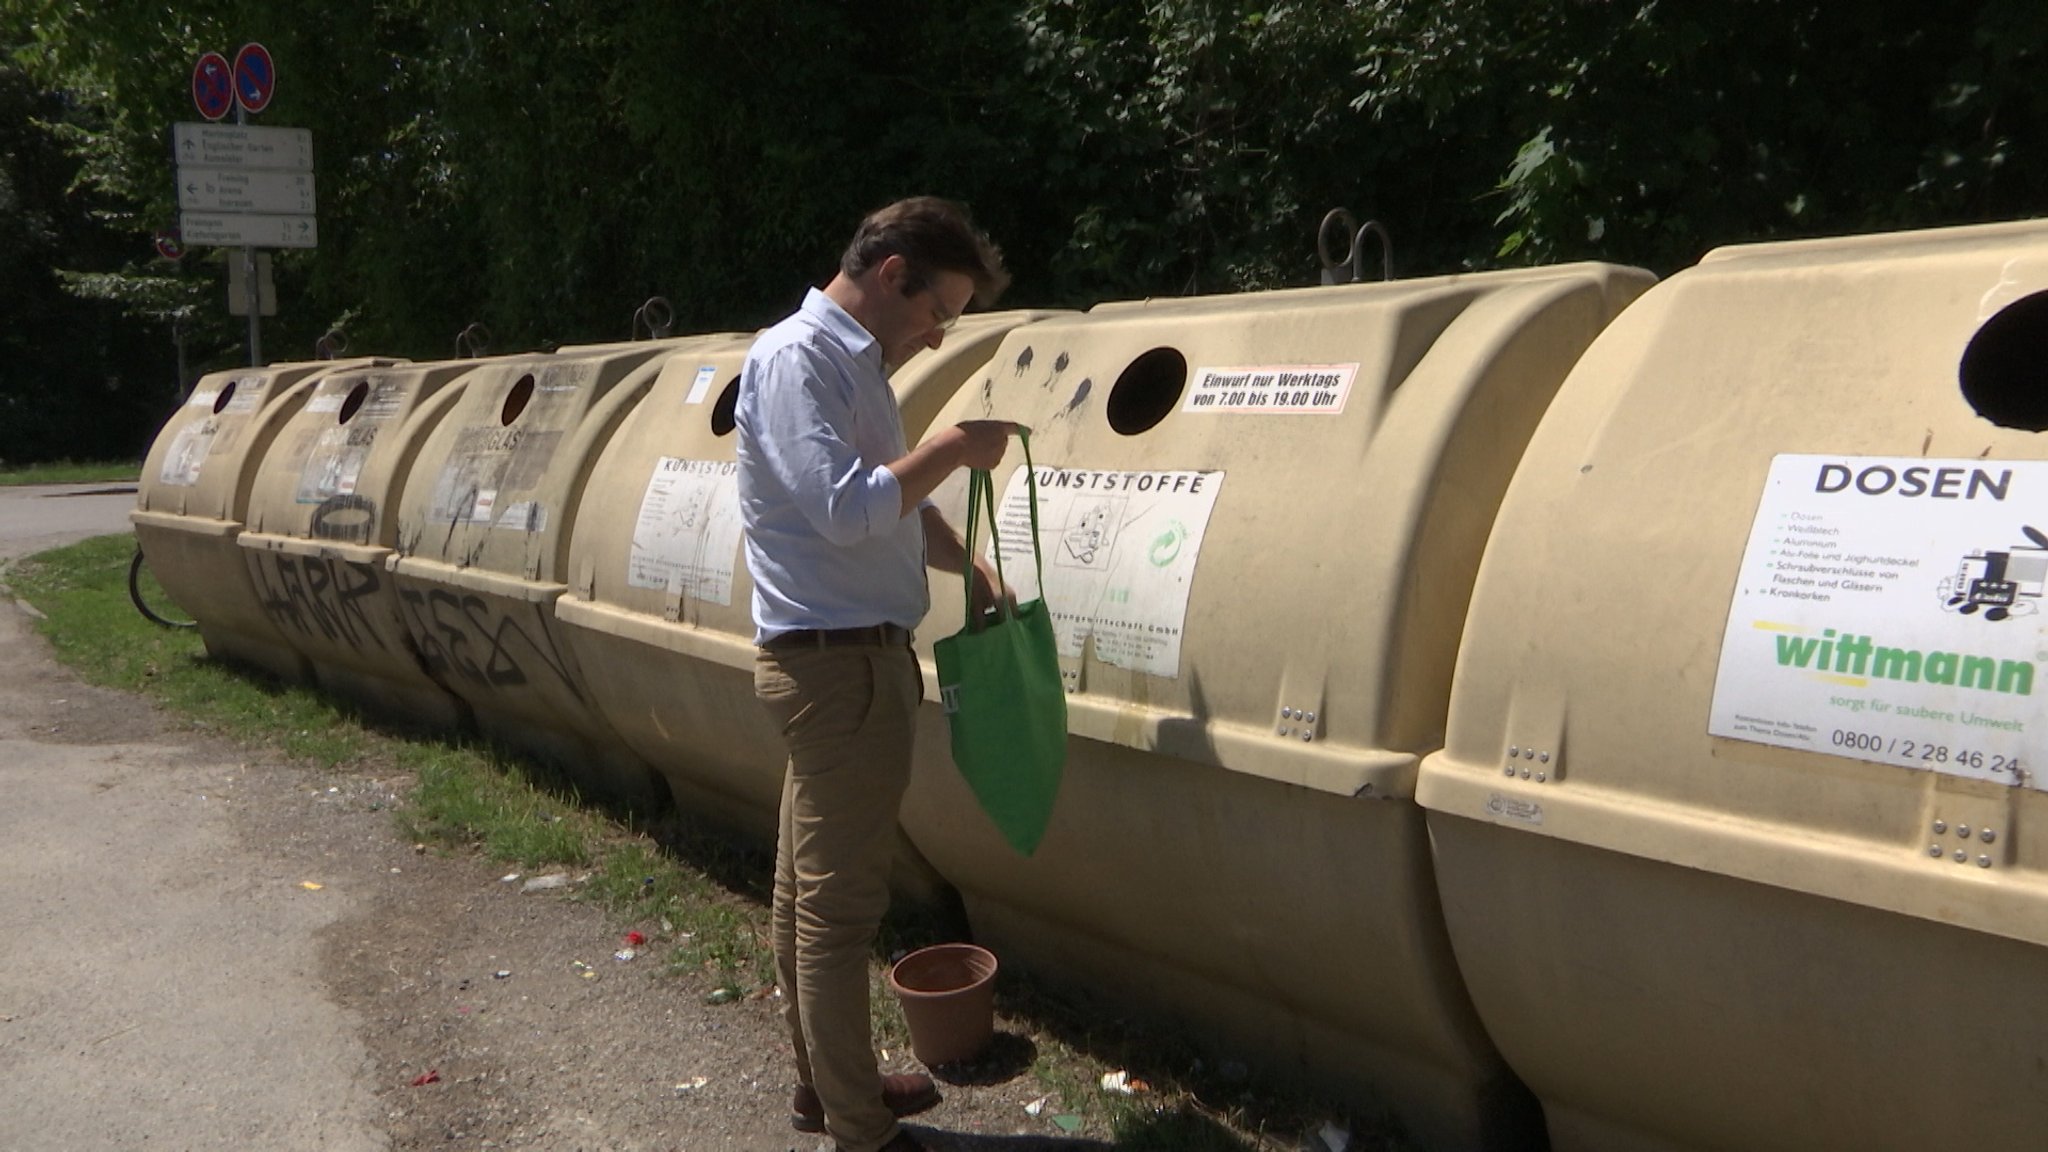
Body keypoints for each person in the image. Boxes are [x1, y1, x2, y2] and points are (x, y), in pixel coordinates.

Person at [735, 196, 1019, 1152]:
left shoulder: (854, 366)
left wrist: (966, 564)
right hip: (837, 672)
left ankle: (829, 1090)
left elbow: (888, 502)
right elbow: (847, 510)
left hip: (844, 664)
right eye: (939, 310)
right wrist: (954, 448)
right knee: (838, 911)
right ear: (894, 274)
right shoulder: (796, 361)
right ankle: (859, 1126)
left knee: (803, 893)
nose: (940, 334)